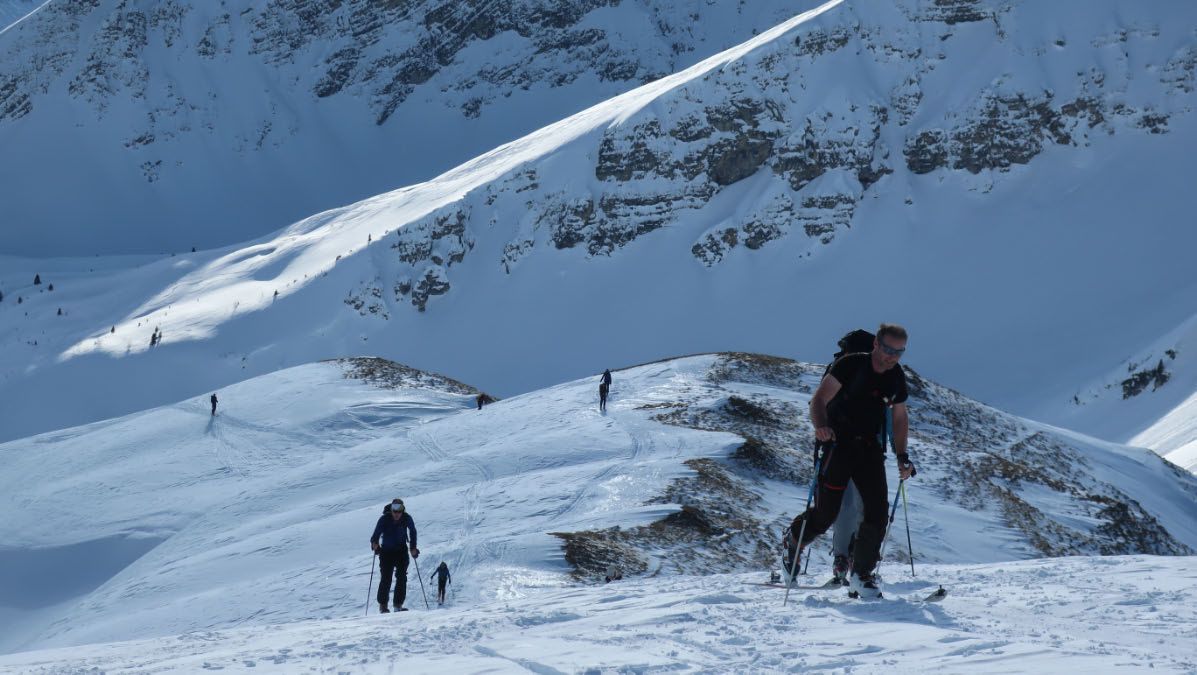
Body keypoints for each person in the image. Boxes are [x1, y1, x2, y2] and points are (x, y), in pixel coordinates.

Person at [783, 324, 916, 598]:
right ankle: (794, 541)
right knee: (825, 515)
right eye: (888, 349)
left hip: (869, 450)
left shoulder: (896, 377)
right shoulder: (849, 365)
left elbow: (900, 417)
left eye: (899, 352)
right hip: (837, 444)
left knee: (877, 512)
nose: (891, 357)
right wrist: (821, 427)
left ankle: (862, 575)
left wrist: (902, 456)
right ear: (876, 344)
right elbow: (819, 400)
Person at [370, 499, 419, 613]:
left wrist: (413, 547)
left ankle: (398, 605)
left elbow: (413, 531)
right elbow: (376, 534)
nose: (397, 513)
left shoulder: (407, 518)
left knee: (402, 577)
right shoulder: (384, 519)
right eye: (394, 510)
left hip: (401, 551)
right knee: (386, 578)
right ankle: (383, 606)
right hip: (386, 552)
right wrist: (375, 544)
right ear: (391, 509)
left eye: (399, 510)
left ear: (402, 510)